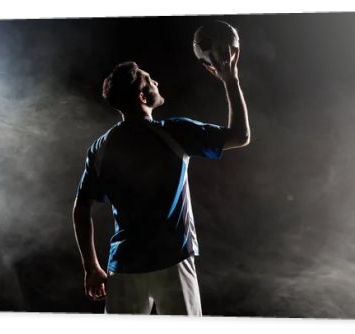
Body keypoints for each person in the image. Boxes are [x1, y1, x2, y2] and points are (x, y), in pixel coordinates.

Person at [72, 47, 250, 315]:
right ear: (143, 96)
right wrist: (231, 80)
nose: (156, 81)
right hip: (173, 261)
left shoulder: (101, 148)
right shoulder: (174, 133)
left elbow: (81, 208)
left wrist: (91, 267)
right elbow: (241, 135)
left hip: (124, 267)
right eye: (149, 79)